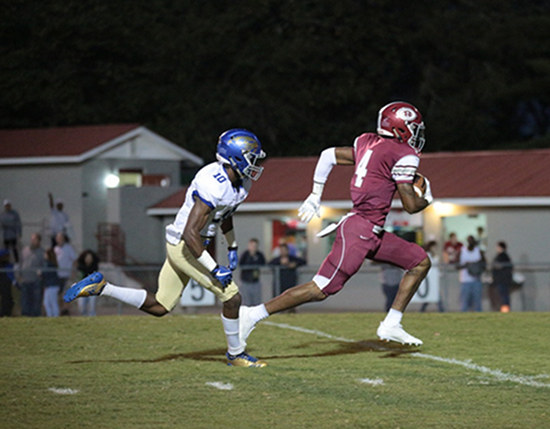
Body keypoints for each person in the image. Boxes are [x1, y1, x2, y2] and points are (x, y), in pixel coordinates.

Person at [64, 129, 268, 367]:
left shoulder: (241, 184)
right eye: (252, 157)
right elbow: (190, 232)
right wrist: (214, 269)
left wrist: (231, 245)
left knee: (161, 306)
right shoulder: (213, 183)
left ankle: (101, 287)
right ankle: (236, 353)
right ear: (235, 158)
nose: (256, 163)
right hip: (185, 246)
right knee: (232, 297)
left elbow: (225, 213)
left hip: (188, 244)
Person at [240, 101, 433, 347]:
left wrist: (315, 194)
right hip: (360, 230)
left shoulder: (367, 142)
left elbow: (328, 155)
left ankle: (392, 323)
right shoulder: (403, 153)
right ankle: (253, 315)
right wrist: (426, 199)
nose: (416, 133)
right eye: (412, 128)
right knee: (321, 289)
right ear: (399, 128)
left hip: (370, 230)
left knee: (419, 262)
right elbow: (410, 205)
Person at [18, 233, 45, 316]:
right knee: (25, 300)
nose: (32, 241)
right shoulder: (24, 250)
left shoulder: (42, 252)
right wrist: (19, 275)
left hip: (36, 281)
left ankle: (35, 316)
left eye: (34, 240)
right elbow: (20, 263)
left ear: (39, 241)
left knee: (36, 301)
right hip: (25, 280)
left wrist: (40, 272)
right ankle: (25, 316)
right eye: (32, 239)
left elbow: (44, 265)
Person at [457, 235, 486, 312]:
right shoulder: (462, 251)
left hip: (476, 280)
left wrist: (476, 267)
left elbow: (484, 264)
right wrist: (467, 265)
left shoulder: (478, 251)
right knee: (464, 302)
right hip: (465, 280)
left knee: (477, 302)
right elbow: (456, 265)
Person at [54, 232, 77, 315]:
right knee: (59, 294)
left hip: (67, 275)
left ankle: (66, 310)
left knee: (66, 294)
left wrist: (73, 272)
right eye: (57, 238)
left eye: (60, 238)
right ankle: (61, 310)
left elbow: (74, 260)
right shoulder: (55, 249)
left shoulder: (68, 248)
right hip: (58, 276)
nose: (59, 240)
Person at [238, 238, 266, 305]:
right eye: (252, 246)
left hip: (255, 281)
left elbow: (263, 263)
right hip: (246, 281)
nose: (254, 248)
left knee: (256, 301)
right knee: (246, 301)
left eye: (255, 246)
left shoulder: (259, 255)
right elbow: (241, 264)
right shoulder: (245, 254)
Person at [419, 240, 445, 312]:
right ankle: (441, 310)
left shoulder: (434, 255)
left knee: (430, 297)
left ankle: (422, 311)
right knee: (435, 296)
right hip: (430, 278)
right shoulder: (427, 255)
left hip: (434, 278)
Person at [76, 249, 100, 316]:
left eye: (90, 258)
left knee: (92, 306)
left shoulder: (94, 267)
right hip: (82, 288)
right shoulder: (80, 268)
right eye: (87, 258)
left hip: (92, 288)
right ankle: (84, 317)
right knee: (81, 306)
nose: (88, 259)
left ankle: (92, 318)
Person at [491, 241, 513, 313]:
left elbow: (501, 267)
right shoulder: (505, 257)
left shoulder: (502, 257)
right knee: (502, 296)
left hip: (502, 280)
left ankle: (505, 310)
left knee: (503, 296)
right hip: (502, 280)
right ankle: (504, 309)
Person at [42, 248, 61, 317]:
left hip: (52, 286)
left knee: (52, 302)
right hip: (49, 285)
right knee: (46, 302)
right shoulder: (50, 264)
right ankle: (50, 315)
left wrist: (41, 273)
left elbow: (46, 273)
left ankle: (55, 316)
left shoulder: (49, 264)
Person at [0, 249, 15, 316]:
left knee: (7, 300)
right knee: (6, 300)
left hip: (6, 286)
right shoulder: (7, 265)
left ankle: (5, 313)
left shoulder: (8, 265)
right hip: (5, 285)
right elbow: (10, 275)